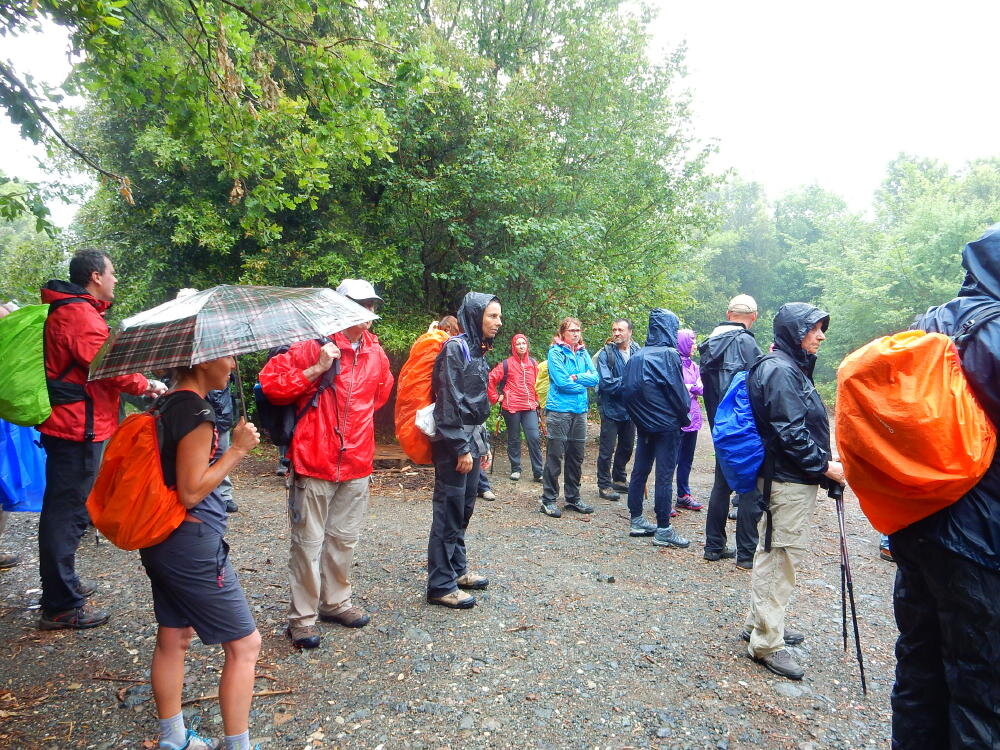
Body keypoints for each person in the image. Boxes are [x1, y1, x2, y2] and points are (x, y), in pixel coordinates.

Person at [889, 227, 1000, 749]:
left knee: (919, 665)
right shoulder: (993, 331)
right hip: (979, 535)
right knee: (981, 686)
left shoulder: (930, 323)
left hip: (917, 518)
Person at [259, 278, 393, 648]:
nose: (367, 312)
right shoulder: (310, 345)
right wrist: (317, 368)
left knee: (344, 539)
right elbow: (271, 386)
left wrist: (355, 434)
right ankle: (302, 619)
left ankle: (336, 603)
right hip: (312, 459)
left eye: (371, 305)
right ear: (338, 307)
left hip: (356, 462)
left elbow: (379, 396)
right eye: (359, 304)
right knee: (307, 543)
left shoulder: (376, 353)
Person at [36, 250, 166, 630]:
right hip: (77, 427)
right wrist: (147, 384)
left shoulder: (78, 311)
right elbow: (108, 367)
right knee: (66, 513)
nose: (115, 279)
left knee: (71, 508)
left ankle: (63, 585)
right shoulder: (78, 314)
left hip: (78, 424)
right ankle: (60, 604)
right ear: (95, 276)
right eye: (112, 272)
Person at [139, 357, 261, 750]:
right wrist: (237, 449)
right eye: (227, 355)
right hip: (190, 542)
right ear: (203, 360)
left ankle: (173, 739)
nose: (232, 363)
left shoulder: (166, 402)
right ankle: (238, 745)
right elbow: (191, 491)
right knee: (245, 646)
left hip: (161, 536)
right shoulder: (196, 412)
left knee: (173, 636)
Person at [742, 302, 843, 681]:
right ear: (794, 331)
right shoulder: (781, 370)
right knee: (779, 555)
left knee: (773, 550)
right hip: (785, 480)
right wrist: (825, 467)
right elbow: (790, 432)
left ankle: (760, 623)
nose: (821, 336)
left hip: (786, 476)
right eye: (814, 329)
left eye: (821, 328)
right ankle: (767, 642)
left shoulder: (788, 366)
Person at [426, 292, 501, 609]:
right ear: (475, 316)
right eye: (492, 316)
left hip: (472, 438)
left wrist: (481, 444)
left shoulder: (478, 349)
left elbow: (476, 404)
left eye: (499, 316)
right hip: (453, 443)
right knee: (449, 510)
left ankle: (457, 570)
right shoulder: (455, 349)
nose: (498, 322)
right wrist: (460, 447)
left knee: (464, 508)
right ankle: (440, 584)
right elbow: (448, 401)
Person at [699, 294, 764, 567]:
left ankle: (713, 546)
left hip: (719, 426)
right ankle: (746, 555)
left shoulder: (708, 345)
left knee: (721, 484)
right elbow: (759, 388)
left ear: (728, 314)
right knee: (749, 488)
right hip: (744, 428)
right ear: (754, 317)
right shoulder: (748, 344)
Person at [621, 309, 691, 547]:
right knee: (664, 476)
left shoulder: (637, 356)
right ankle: (664, 528)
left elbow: (626, 391)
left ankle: (636, 519)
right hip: (666, 426)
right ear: (669, 328)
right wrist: (682, 417)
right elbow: (678, 393)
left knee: (640, 470)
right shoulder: (669, 355)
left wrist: (640, 418)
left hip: (644, 425)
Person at [539, 318, 599, 517]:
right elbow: (561, 382)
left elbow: (595, 377)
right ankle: (548, 500)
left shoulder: (582, 352)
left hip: (580, 410)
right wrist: (583, 384)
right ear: (563, 333)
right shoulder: (555, 352)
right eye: (572, 330)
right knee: (555, 455)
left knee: (576, 455)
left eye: (578, 330)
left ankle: (573, 498)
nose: (575, 333)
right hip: (559, 410)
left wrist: (577, 377)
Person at [487, 334, 543, 482]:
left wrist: (539, 400)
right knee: (514, 438)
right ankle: (515, 469)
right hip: (511, 406)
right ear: (514, 346)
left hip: (529, 406)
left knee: (534, 437)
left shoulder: (533, 363)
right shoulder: (506, 364)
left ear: (527, 345)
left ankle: (538, 472)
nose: (521, 346)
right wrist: (495, 397)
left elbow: (539, 383)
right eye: (518, 344)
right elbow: (490, 379)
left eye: (523, 343)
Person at [594, 319, 639, 501]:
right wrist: (631, 381)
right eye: (614, 330)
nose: (616, 333)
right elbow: (606, 383)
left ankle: (619, 479)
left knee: (627, 446)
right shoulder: (606, 354)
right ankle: (604, 484)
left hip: (631, 409)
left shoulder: (637, 351)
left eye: (620, 330)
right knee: (607, 450)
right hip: (610, 408)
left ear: (630, 332)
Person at [673, 328, 704, 512]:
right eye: (692, 341)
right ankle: (663, 499)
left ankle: (683, 495)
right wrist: (692, 387)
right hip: (677, 418)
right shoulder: (673, 363)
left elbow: (702, 388)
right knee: (671, 459)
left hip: (693, 418)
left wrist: (690, 387)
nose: (695, 345)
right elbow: (677, 388)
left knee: (686, 459)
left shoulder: (693, 366)